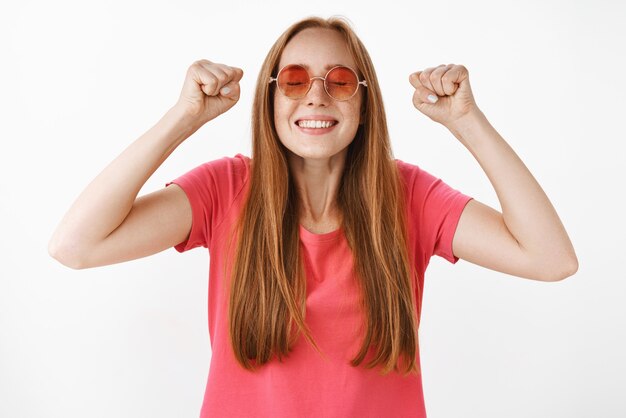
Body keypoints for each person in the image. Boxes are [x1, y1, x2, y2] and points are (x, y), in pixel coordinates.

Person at [48, 15, 578, 418]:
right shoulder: (225, 190)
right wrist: (183, 117)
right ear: (270, 97)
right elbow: (75, 246)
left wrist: (467, 121)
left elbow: (551, 259)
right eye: (296, 80)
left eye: (340, 80)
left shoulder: (409, 196)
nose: (317, 96)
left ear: (364, 102)